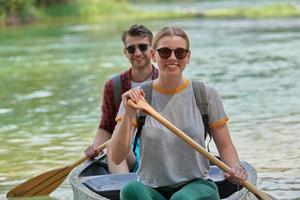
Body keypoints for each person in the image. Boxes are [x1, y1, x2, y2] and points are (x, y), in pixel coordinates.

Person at [107, 26, 248, 200]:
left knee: (180, 199)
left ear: (188, 56)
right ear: (153, 55)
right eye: (165, 52)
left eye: (180, 52)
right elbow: (116, 156)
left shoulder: (205, 94)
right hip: (151, 189)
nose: (172, 58)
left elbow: (225, 146)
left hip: (197, 186)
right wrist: (129, 112)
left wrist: (235, 168)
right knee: (130, 190)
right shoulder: (137, 98)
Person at [85, 24, 158, 173]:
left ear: (152, 50)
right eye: (131, 49)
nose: (137, 53)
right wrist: (96, 147)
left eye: (143, 47)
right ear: (125, 52)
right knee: (113, 144)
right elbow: (106, 126)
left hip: (159, 148)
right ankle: (122, 190)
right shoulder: (113, 86)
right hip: (127, 152)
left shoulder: (166, 82)